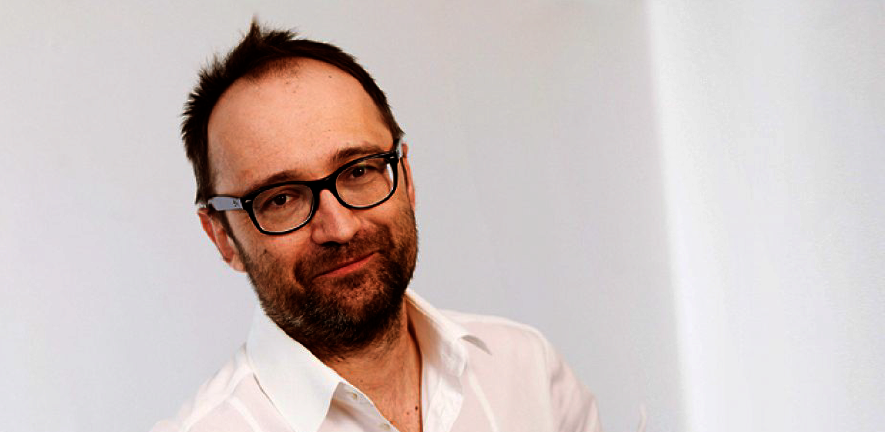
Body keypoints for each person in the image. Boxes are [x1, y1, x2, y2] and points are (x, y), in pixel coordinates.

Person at [151, 21, 601, 432]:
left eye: (359, 170)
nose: (340, 228)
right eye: (281, 198)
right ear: (222, 238)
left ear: (404, 175)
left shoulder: (526, 368)